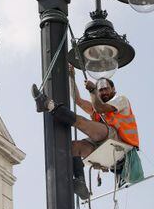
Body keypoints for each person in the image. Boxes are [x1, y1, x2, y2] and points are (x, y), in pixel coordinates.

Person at [31, 66, 139, 199]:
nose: (103, 92)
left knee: (84, 124)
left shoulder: (121, 100)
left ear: (113, 89)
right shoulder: (97, 108)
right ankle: (80, 182)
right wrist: (71, 77)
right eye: (100, 90)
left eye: (106, 89)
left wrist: (93, 90)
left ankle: (48, 105)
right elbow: (78, 101)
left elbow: (100, 108)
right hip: (105, 146)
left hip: (120, 144)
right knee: (72, 147)